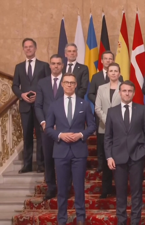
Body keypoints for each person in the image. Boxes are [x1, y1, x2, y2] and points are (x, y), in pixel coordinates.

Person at [45, 73, 96, 225]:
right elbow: (48, 128)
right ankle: (62, 218)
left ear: (75, 85)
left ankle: (81, 217)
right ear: (62, 84)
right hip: (60, 151)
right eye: (66, 82)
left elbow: (92, 126)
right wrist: (60, 134)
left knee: (79, 187)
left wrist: (81, 134)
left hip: (79, 151)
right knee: (62, 189)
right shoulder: (54, 105)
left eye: (72, 83)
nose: (69, 85)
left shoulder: (84, 104)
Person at [104, 80, 145, 225]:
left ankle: (136, 220)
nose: (127, 93)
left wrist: (144, 150)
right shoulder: (112, 111)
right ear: (120, 92)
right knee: (120, 192)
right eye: (124, 91)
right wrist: (109, 156)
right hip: (118, 157)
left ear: (134, 93)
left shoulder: (141, 109)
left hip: (137, 156)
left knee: (137, 192)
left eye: (130, 91)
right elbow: (108, 137)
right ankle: (122, 220)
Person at [12, 38, 50, 173]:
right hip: (25, 107)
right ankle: (27, 165)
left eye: (31, 46)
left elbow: (48, 84)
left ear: (35, 48)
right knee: (27, 135)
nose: (28, 49)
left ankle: (41, 164)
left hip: (40, 106)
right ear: (23, 49)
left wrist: (39, 95)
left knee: (41, 135)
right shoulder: (19, 67)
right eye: (26, 47)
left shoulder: (44, 65)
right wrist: (21, 95)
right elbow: (15, 86)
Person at [35, 54, 64, 200]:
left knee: (64, 159)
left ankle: (64, 187)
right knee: (48, 159)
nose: (56, 66)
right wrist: (43, 122)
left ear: (62, 65)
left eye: (58, 63)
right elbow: (38, 105)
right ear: (50, 66)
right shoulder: (42, 83)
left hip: (64, 128)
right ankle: (51, 187)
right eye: (53, 63)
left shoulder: (68, 81)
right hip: (47, 128)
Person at [88, 51, 123, 172]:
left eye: (110, 59)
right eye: (105, 58)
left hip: (120, 123)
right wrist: (106, 118)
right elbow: (94, 101)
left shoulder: (122, 83)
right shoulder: (97, 79)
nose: (113, 73)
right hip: (103, 120)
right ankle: (102, 166)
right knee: (103, 146)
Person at [94, 63, 122, 199]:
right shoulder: (101, 88)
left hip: (120, 129)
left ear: (119, 73)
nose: (113, 73)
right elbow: (97, 108)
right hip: (103, 128)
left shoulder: (124, 87)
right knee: (106, 160)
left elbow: (125, 106)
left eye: (115, 71)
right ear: (107, 72)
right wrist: (108, 120)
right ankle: (105, 189)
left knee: (118, 159)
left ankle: (119, 188)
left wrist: (115, 122)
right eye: (111, 71)